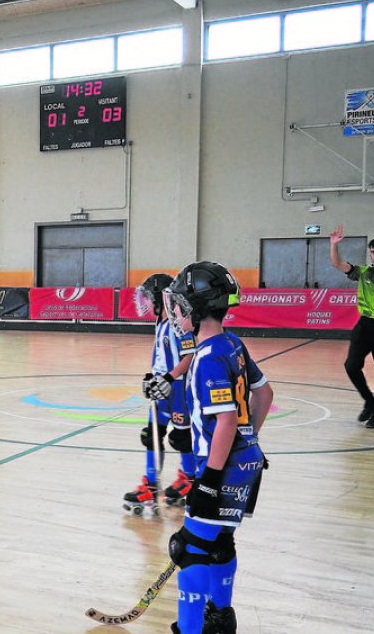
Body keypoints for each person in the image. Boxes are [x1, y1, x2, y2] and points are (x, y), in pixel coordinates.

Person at [162, 262, 271, 634]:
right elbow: (265, 393)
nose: (175, 313)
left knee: (190, 548)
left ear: (194, 308)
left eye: (178, 305)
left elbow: (225, 421)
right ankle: (221, 619)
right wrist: (249, 439)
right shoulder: (232, 343)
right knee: (221, 541)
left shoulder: (207, 358)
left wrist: (208, 479)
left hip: (221, 468)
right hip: (246, 461)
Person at [123, 273, 197, 514]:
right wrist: (154, 376)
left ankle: (189, 479)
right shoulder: (161, 322)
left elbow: (189, 355)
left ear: (160, 297)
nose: (146, 303)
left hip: (179, 388)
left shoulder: (179, 323)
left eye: (149, 298)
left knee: (182, 438)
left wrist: (169, 377)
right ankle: (151, 484)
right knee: (151, 435)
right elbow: (162, 357)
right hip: (163, 386)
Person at [329, 226, 374, 429]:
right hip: (364, 326)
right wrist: (334, 245)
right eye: (373, 252)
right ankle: (369, 400)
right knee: (351, 365)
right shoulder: (364, 273)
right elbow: (338, 264)